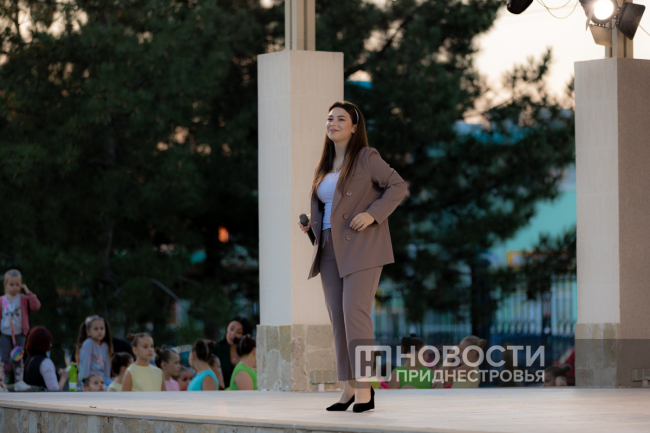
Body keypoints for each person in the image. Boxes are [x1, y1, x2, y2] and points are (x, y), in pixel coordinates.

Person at [299, 101, 408, 413]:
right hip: (328, 248)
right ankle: (347, 387)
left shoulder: (366, 157)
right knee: (338, 319)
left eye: (340, 119)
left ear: (354, 126)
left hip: (362, 246)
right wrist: (311, 226)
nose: (332, 123)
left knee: (355, 314)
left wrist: (373, 214)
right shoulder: (324, 165)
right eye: (329, 118)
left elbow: (397, 186)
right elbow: (328, 208)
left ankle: (364, 388)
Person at [1, 269, 41, 386]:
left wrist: (28, 292)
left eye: (17, 284)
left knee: (18, 357)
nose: (14, 287)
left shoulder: (23, 299)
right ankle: (1, 382)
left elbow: (36, 305)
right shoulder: (2, 300)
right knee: (3, 358)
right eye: (11, 284)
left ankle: (19, 381)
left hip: (19, 334)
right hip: (5, 334)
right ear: (5, 284)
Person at [23, 326, 69, 391]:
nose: (51, 345)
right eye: (49, 342)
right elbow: (54, 389)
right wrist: (63, 377)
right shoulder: (45, 362)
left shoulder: (29, 360)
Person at [212, 316, 252, 389]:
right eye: (231, 329)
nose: (233, 334)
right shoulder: (216, 348)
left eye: (239, 332)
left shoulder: (249, 353)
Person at [76, 315, 113, 388]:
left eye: (102, 328)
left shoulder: (105, 346)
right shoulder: (88, 343)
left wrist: (107, 379)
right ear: (88, 332)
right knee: (106, 389)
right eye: (96, 329)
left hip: (102, 379)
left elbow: (107, 366)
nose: (100, 331)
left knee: (116, 388)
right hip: (90, 379)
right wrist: (84, 383)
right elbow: (85, 364)